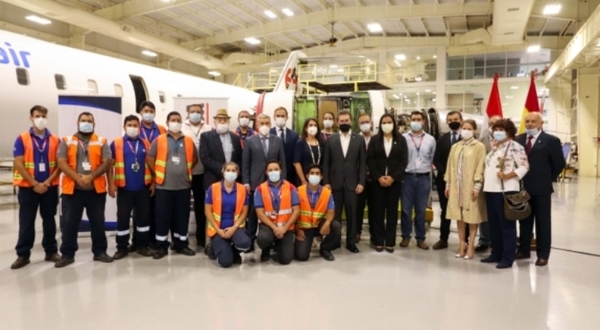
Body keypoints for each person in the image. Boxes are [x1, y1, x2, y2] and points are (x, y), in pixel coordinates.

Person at [55, 112, 113, 267]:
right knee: (70, 224)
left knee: (98, 223)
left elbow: (107, 163)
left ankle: (100, 252)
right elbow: (61, 162)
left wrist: (90, 177)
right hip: (72, 191)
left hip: (95, 190)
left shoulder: (102, 141)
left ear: (94, 124)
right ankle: (67, 255)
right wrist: (78, 177)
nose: (86, 123)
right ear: (77, 122)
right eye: (83, 120)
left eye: (89, 121)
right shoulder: (67, 141)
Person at [11, 105, 62, 269]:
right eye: (37, 116)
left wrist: (46, 183)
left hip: (49, 188)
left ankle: (51, 251)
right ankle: (23, 255)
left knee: (49, 221)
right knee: (26, 222)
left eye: (43, 116)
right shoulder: (22, 138)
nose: (41, 119)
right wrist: (35, 183)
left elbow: (60, 165)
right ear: (31, 118)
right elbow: (19, 164)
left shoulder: (55, 139)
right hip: (28, 188)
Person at [516, 112, 565, 266]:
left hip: (541, 189)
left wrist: (545, 179)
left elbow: (558, 164)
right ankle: (523, 250)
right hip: (522, 188)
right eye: (527, 121)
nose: (530, 124)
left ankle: (543, 254)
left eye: (533, 121)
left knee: (542, 222)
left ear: (540, 123)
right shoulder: (519, 139)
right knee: (524, 220)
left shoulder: (551, 141)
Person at [147, 111, 198, 259]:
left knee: (182, 217)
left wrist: (185, 169)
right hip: (164, 186)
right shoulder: (159, 139)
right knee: (162, 217)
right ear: (168, 122)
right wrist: (157, 174)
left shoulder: (188, 141)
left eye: (178, 120)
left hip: (183, 186)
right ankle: (161, 246)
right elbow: (150, 158)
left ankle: (181, 244)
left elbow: (194, 158)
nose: (175, 122)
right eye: (173, 120)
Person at [482, 119, 529, 269]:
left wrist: (508, 175)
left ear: (509, 132)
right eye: (496, 129)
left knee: (506, 225)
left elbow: (524, 166)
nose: (498, 132)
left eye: (501, 129)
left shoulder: (515, 147)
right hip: (490, 189)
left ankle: (508, 257)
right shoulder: (495, 147)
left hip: (506, 190)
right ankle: (496, 253)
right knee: (493, 225)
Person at [108, 115, 154, 260]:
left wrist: (153, 183)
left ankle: (142, 246)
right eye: (130, 125)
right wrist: (110, 184)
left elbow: (152, 165)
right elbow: (109, 167)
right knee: (123, 219)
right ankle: (121, 248)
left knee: (143, 220)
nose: (133, 128)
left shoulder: (146, 144)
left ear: (139, 128)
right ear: (124, 127)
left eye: (135, 125)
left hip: (143, 188)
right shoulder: (116, 143)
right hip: (124, 189)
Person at [322, 110, 366, 253]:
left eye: (346, 120)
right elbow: (326, 163)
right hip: (334, 184)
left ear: (351, 121)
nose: (344, 123)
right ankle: (335, 241)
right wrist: (326, 182)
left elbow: (363, 163)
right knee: (335, 214)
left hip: (353, 184)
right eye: (341, 121)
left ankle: (351, 242)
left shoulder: (359, 139)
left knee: (352, 214)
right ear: (337, 122)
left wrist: (361, 182)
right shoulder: (331, 139)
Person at [444, 119, 487, 260]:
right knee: (459, 216)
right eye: (464, 128)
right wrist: (448, 184)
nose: (466, 130)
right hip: (457, 187)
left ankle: (471, 245)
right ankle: (462, 244)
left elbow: (480, 166)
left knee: (472, 217)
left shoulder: (479, 146)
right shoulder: (455, 146)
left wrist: (477, 185)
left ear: (474, 130)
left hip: (471, 187)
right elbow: (450, 166)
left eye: (469, 128)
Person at [242, 114, 286, 249]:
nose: (265, 126)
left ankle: (270, 240)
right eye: (262, 123)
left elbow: (282, 161)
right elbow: (245, 163)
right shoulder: (250, 141)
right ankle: (250, 242)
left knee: (273, 211)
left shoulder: (277, 140)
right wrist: (246, 182)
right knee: (253, 214)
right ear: (257, 125)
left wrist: (283, 181)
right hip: (255, 183)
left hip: (274, 183)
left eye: (267, 123)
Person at [367, 114, 409, 253]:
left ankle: (390, 241)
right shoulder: (374, 140)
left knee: (392, 212)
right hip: (377, 182)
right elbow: (370, 160)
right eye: (384, 122)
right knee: (378, 212)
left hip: (394, 182)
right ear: (380, 124)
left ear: (394, 124)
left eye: (389, 122)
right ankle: (379, 241)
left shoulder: (401, 140)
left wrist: (393, 177)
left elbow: (403, 161)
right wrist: (378, 177)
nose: (386, 124)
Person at [400, 111, 436, 250]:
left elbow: (431, 157)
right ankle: (406, 236)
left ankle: (421, 238)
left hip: (423, 178)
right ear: (410, 121)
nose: (416, 121)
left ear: (423, 122)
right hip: (407, 177)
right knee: (406, 210)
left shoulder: (431, 140)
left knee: (421, 210)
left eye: (418, 119)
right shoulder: (403, 138)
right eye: (413, 119)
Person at [205, 162, 251, 268]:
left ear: (237, 173)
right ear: (223, 172)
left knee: (244, 243)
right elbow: (207, 212)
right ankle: (215, 247)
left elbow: (244, 213)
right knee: (226, 263)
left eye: (233, 171)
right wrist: (219, 231)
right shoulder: (213, 188)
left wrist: (233, 228)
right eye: (228, 170)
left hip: (236, 227)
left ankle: (235, 251)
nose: (230, 173)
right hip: (217, 229)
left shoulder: (242, 189)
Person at [255, 160, 300, 264]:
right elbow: (260, 213)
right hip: (268, 226)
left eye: (276, 169)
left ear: (281, 171)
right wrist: (275, 228)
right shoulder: (260, 189)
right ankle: (266, 249)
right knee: (263, 238)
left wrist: (284, 229)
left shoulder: (291, 187)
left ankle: (278, 244)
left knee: (286, 260)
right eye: (270, 170)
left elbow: (296, 211)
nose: (273, 172)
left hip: (286, 226)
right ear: (266, 172)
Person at [181, 104, 212, 248]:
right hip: (185, 174)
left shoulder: (209, 128)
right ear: (187, 113)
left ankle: (201, 238)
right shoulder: (181, 128)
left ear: (203, 113)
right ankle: (181, 239)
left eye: (198, 112)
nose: (195, 114)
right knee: (183, 207)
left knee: (201, 209)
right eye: (192, 111)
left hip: (203, 174)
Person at [295, 164, 340, 261]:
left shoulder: (327, 193)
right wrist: (297, 229)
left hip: (319, 225)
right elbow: (293, 213)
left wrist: (327, 223)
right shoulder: (298, 191)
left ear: (321, 177)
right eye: (312, 173)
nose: (314, 175)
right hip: (304, 229)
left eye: (317, 173)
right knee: (301, 256)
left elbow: (331, 211)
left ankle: (325, 249)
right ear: (307, 176)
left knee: (336, 226)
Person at [137, 100, 166, 250]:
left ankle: (153, 240)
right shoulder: (135, 127)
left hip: (156, 175)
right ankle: (138, 241)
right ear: (141, 113)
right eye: (145, 110)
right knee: (140, 212)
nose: (148, 113)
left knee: (155, 210)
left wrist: (156, 177)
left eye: (151, 110)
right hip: (138, 174)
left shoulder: (161, 129)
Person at [432, 110, 463, 250]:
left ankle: (464, 240)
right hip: (444, 180)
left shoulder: (467, 137)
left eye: (455, 119)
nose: (453, 121)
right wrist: (447, 174)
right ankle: (443, 239)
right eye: (450, 120)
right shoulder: (442, 139)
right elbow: (437, 158)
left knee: (463, 210)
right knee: (445, 210)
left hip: (463, 181)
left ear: (461, 120)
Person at [476, 115, 502, 252]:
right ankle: (484, 240)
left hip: (503, 183)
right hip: (485, 182)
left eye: (497, 123)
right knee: (484, 211)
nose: (493, 126)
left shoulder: (509, 141)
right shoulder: (482, 140)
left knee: (502, 213)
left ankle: (500, 241)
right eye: (491, 123)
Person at [356, 112, 375, 244]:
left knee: (375, 208)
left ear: (371, 123)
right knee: (358, 208)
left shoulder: (377, 138)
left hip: (375, 179)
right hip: (359, 180)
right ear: (358, 125)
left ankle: (374, 234)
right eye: (362, 123)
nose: (365, 125)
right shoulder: (355, 139)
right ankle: (357, 232)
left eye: (366, 122)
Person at [271, 106, 299, 184]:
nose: (280, 118)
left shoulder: (294, 135)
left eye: (282, 116)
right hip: (272, 172)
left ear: (287, 117)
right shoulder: (269, 133)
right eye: (278, 116)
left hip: (290, 174)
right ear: (274, 117)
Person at [293, 118, 325, 186]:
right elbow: (297, 163)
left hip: (319, 179)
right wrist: (303, 180)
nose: (313, 127)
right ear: (305, 128)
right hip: (305, 179)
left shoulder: (321, 143)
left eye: (315, 125)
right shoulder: (300, 143)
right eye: (310, 125)